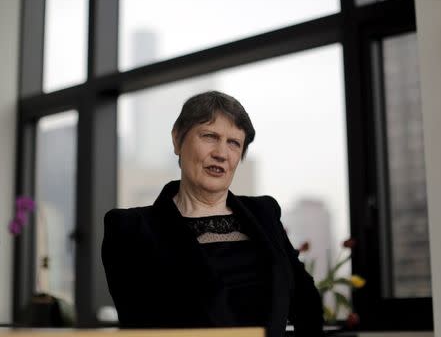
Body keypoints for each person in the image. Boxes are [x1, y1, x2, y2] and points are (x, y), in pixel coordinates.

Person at [101, 91, 324, 337]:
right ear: (177, 139)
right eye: (209, 136)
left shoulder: (265, 213)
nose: (221, 153)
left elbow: (306, 303)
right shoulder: (129, 228)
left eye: (234, 143)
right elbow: (142, 324)